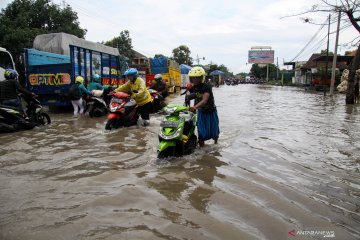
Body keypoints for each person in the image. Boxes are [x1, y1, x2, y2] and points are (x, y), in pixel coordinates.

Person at [187, 66, 220, 147]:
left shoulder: (207, 87)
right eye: (193, 78)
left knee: (214, 131)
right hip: (201, 112)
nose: (195, 80)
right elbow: (190, 96)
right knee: (201, 132)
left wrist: (194, 107)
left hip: (211, 111)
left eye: (197, 78)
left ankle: (216, 145)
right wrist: (187, 102)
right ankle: (202, 149)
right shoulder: (194, 87)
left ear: (201, 78)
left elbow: (204, 100)